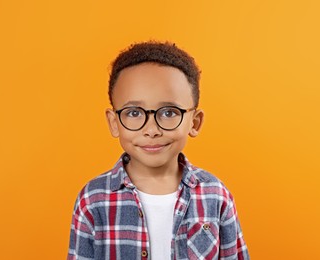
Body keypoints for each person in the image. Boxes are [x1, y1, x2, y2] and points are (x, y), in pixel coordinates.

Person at [68, 41, 250, 260]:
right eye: (134, 113)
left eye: (169, 112)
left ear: (195, 122)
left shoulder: (215, 195)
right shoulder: (93, 199)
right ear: (114, 122)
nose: (152, 130)